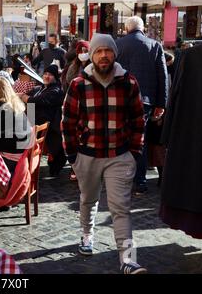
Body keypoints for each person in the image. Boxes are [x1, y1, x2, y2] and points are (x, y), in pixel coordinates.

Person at [61, 33, 146, 274]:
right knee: (88, 200)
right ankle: (87, 236)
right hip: (87, 156)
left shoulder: (129, 82)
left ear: (114, 54)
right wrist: (72, 157)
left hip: (119, 156)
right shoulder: (78, 84)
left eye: (108, 51)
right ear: (92, 55)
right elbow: (67, 122)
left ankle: (128, 259)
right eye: (99, 51)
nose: (104, 55)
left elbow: (139, 119)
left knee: (121, 207)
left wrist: (134, 152)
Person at [116, 16, 169, 195]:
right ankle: (140, 181)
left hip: (119, 99)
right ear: (143, 28)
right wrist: (161, 104)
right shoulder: (154, 46)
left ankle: (121, 179)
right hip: (144, 101)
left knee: (121, 139)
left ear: (126, 28)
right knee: (140, 141)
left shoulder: (118, 44)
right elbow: (162, 77)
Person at [159, 43, 202, 239]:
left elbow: (175, 97)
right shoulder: (191, 55)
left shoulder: (191, 55)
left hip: (194, 134)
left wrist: (167, 136)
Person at [18, 65, 66, 177]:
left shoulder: (56, 90)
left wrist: (27, 99)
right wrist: (20, 96)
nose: (46, 76)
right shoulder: (40, 88)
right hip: (32, 123)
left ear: (55, 77)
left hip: (48, 126)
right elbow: (29, 96)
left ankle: (19, 164)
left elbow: (40, 100)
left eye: (50, 75)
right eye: (45, 74)